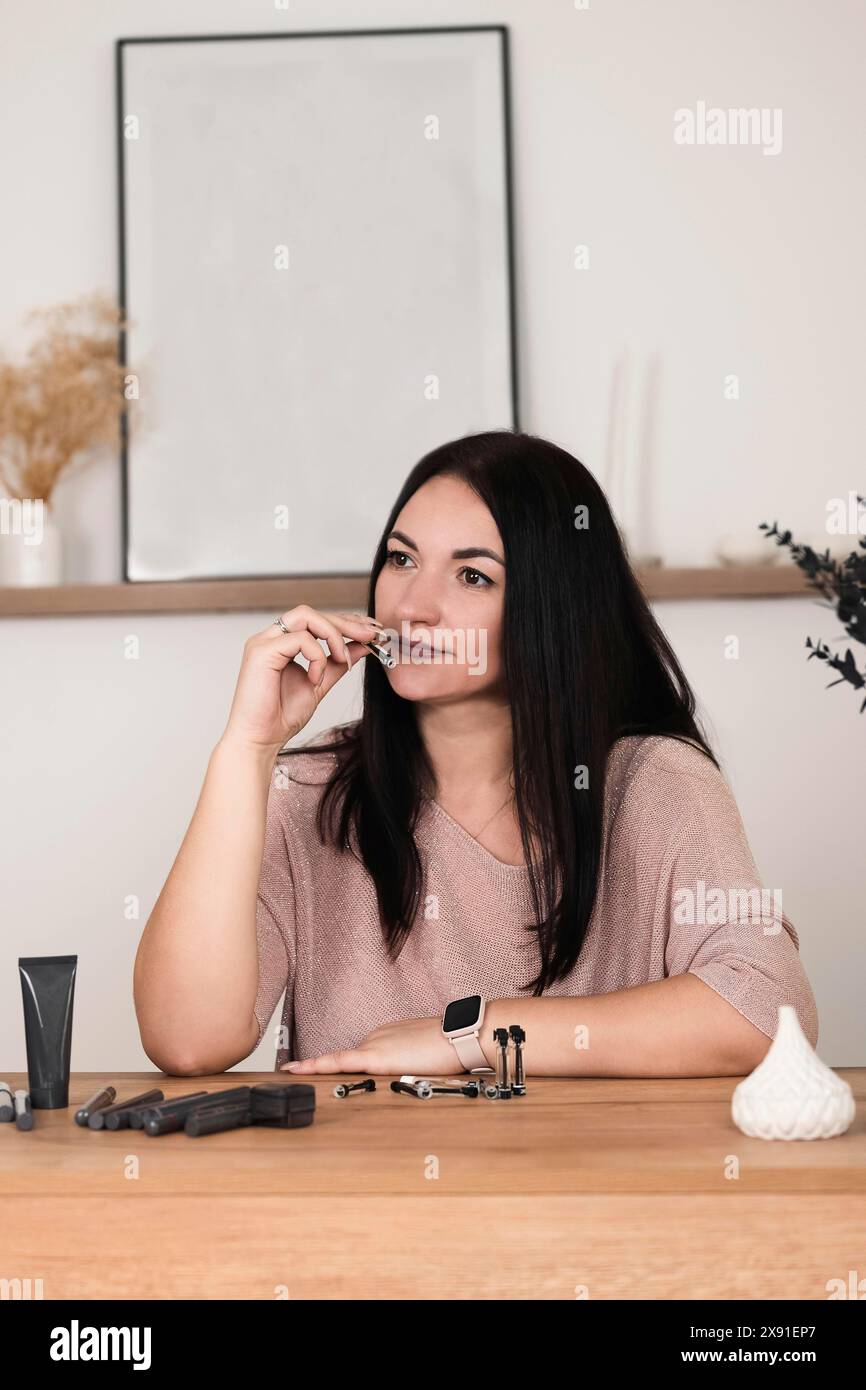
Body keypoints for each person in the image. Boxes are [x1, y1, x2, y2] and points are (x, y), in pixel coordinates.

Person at [133, 430, 818, 1079]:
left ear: (554, 608)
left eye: (472, 577)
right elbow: (187, 1040)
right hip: (361, 1200)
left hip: (590, 1196)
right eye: (402, 560)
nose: (413, 607)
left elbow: (768, 1007)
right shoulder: (308, 794)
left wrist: (469, 1034)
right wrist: (247, 749)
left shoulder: (654, 783)